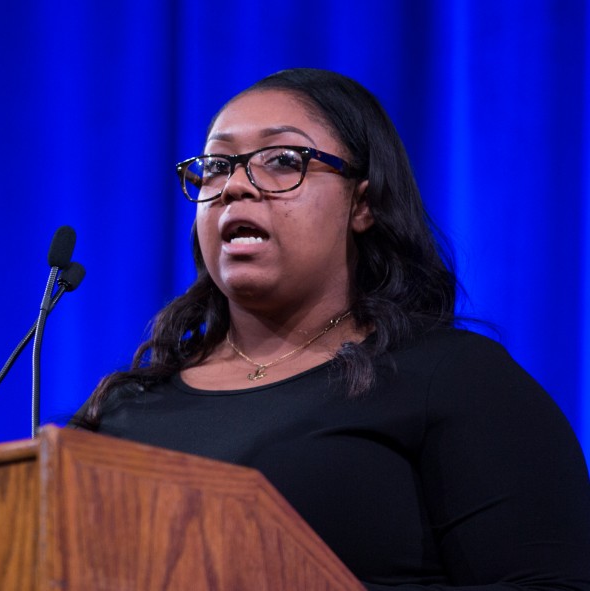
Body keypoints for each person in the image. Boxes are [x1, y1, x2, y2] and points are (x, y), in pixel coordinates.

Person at [73, 68, 590, 589]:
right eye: (214, 166)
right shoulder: (127, 412)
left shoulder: (454, 379)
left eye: (281, 161)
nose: (232, 187)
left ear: (362, 204)